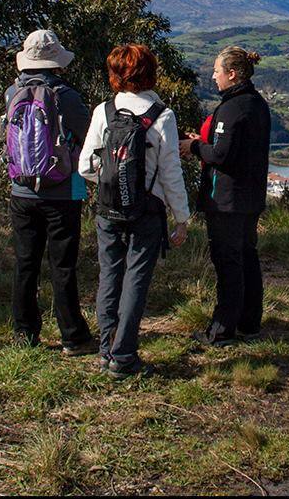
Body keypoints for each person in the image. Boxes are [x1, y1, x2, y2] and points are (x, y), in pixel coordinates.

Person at [80, 44, 190, 378]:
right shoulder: (162, 115)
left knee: (109, 275)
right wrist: (181, 218)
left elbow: (86, 165)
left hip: (108, 209)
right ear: (150, 73)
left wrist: (112, 180)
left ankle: (105, 351)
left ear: (115, 74)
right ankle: (124, 355)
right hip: (147, 211)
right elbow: (171, 172)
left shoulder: (104, 111)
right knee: (136, 279)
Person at [3, 29, 96, 354]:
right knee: (63, 265)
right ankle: (73, 335)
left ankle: (24, 332)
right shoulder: (66, 95)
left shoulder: (12, 91)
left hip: (22, 190)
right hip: (62, 192)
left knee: (25, 263)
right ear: (55, 61)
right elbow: (87, 135)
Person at [180, 46, 271, 347]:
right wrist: (205, 142)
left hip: (227, 200)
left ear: (232, 74)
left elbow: (221, 154)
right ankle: (249, 322)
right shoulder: (256, 103)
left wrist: (194, 147)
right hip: (250, 196)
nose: (213, 76)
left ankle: (221, 330)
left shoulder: (232, 107)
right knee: (247, 257)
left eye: (217, 71)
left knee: (228, 262)